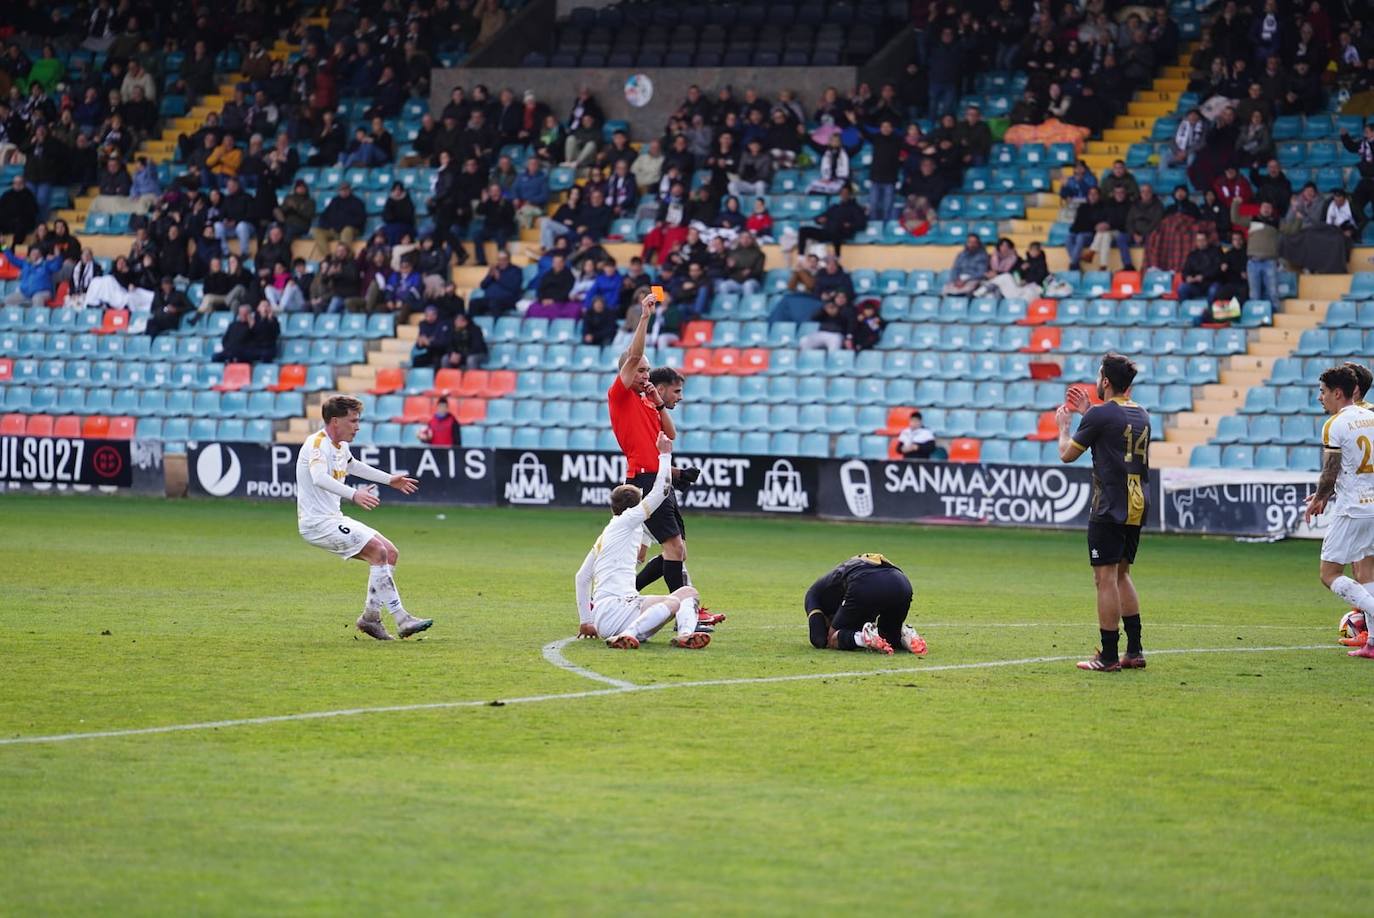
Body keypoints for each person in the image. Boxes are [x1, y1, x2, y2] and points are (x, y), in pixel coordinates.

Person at [295, 395, 430, 641]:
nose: (357, 426)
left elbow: (353, 465)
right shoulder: (317, 444)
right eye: (353, 421)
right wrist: (353, 494)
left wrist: (390, 480)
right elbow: (318, 477)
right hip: (317, 523)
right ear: (335, 421)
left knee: (389, 552)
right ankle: (402, 618)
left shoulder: (340, 446)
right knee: (377, 552)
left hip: (333, 517)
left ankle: (370, 617)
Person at [1056, 354, 1151, 673]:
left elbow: (1067, 455)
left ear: (1106, 382)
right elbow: (1111, 433)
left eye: (1099, 375)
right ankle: (1134, 650)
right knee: (1122, 574)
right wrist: (1090, 413)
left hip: (1109, 504)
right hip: (1136, 503)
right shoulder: (1142, 413)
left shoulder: (1100, 415)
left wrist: (1064, 428)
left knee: (1104, 579)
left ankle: (1108, 655)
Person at [573, 431, 709, 650]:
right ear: (636, 507)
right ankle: (632, 634)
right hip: (619, 610)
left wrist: (587, 621)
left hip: (606, 614)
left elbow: (582, 577)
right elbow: (660, 492)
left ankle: (685, 636)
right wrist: (665, 456)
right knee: (681, 597)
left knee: (681, 595)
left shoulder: (608, 534)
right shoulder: (628, 520)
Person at [1304, 366, 1374, 660]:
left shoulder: (1335, 424)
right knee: (1367, 572)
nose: (1320, 398)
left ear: (1337, 393)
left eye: (1322, 392)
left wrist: (1320, 497)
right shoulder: (1371, 416)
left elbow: (1331, 470)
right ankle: (1372, 642)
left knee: (1329, 573)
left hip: (1352, 509)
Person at [804, 554, 925, 655]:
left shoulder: (813, 595)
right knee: (889, 637)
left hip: (865, 581)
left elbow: (819, 640)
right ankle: (906, 637)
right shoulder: (832, 586)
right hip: (902, 583)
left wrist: (830, 631)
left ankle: (862, 638)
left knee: (832, 639)